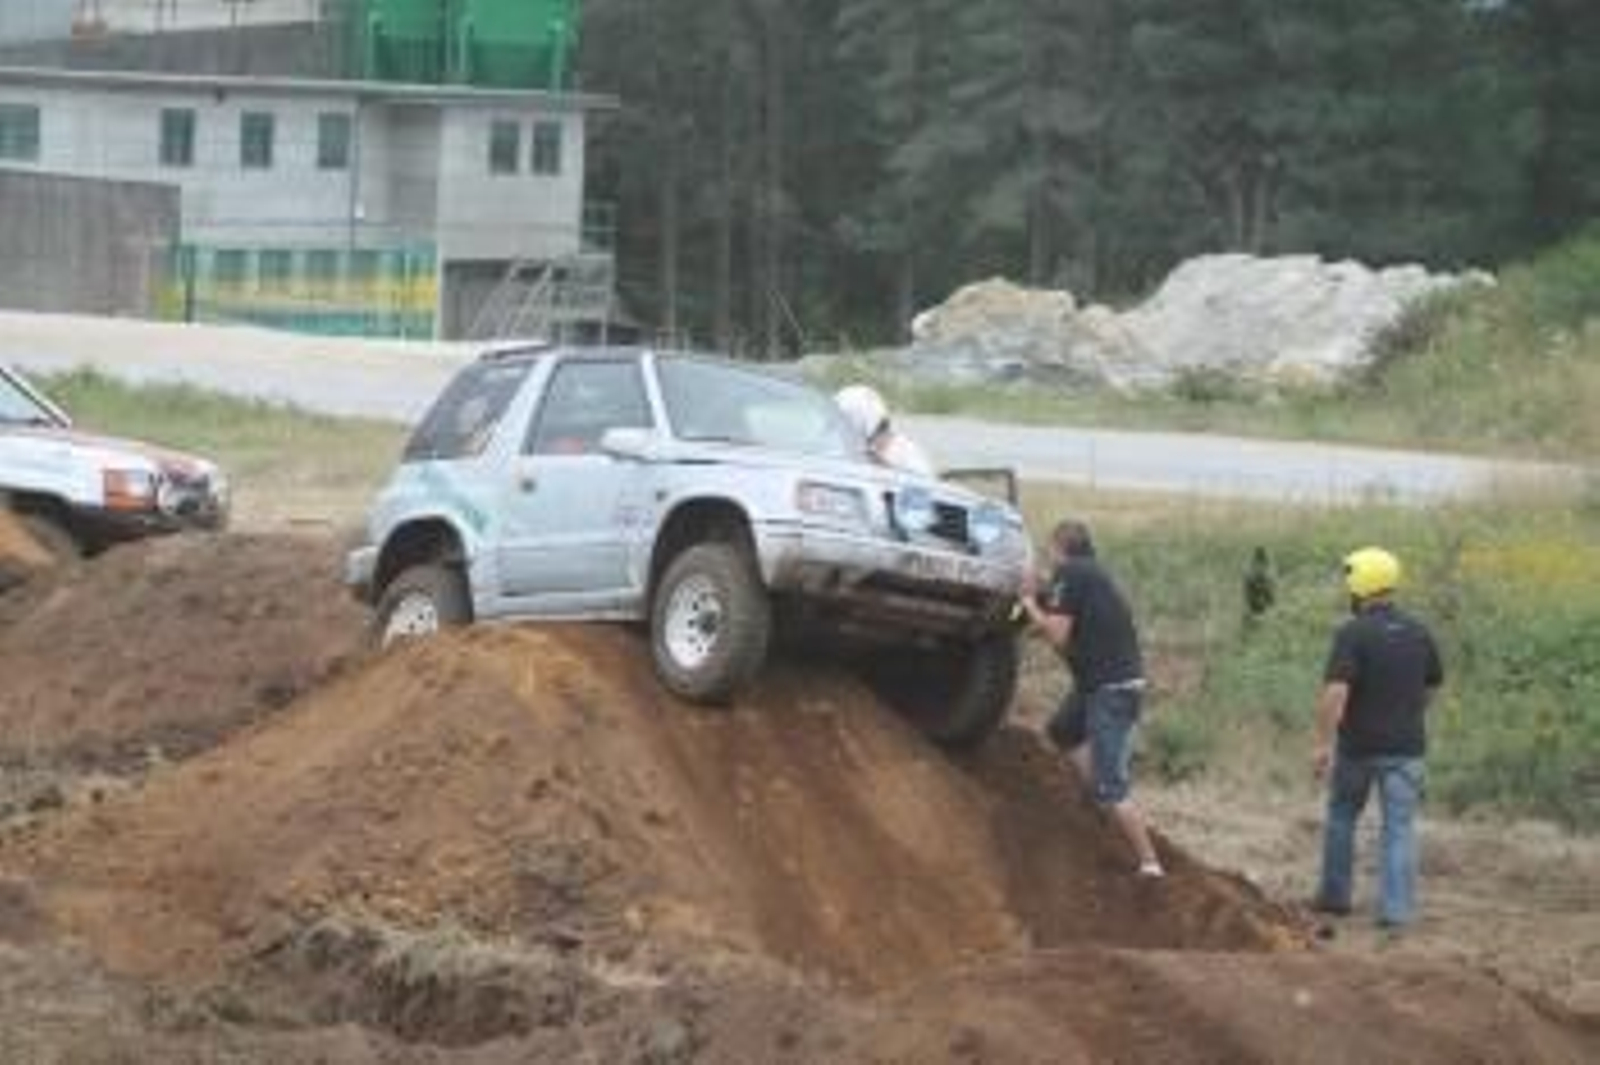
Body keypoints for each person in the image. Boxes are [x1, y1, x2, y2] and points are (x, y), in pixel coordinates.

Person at [1019, 519, 1164, 878]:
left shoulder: (1072, 573)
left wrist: (1026, 602)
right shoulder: (1090, 574)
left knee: (1111, 784)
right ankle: (1093, 800)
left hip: (1110, 692)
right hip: (1098, 685)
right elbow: (1060, 618)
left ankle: (1150, 864)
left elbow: (1057, 635)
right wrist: (1037, 601)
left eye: (1050, 551)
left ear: (1059, 547)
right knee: (1061, 733)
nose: (1049, 560)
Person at [1311, 547, 1444, 930]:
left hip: (1358, 748)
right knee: (1399, 828)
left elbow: (1336, 693)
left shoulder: (1352, 633)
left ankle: (1335, 898)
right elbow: (1432, 687)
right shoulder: (1420, 631)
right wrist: (1408, 714)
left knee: (1341, 816)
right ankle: (1396, 912)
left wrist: (1322, 744)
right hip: (1407, 749)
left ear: (1360, 586)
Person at [833, 384, 936, 476]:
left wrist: (884, 468)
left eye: (845, 419)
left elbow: (924, 490)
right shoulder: (848, 452)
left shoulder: (906, 453)